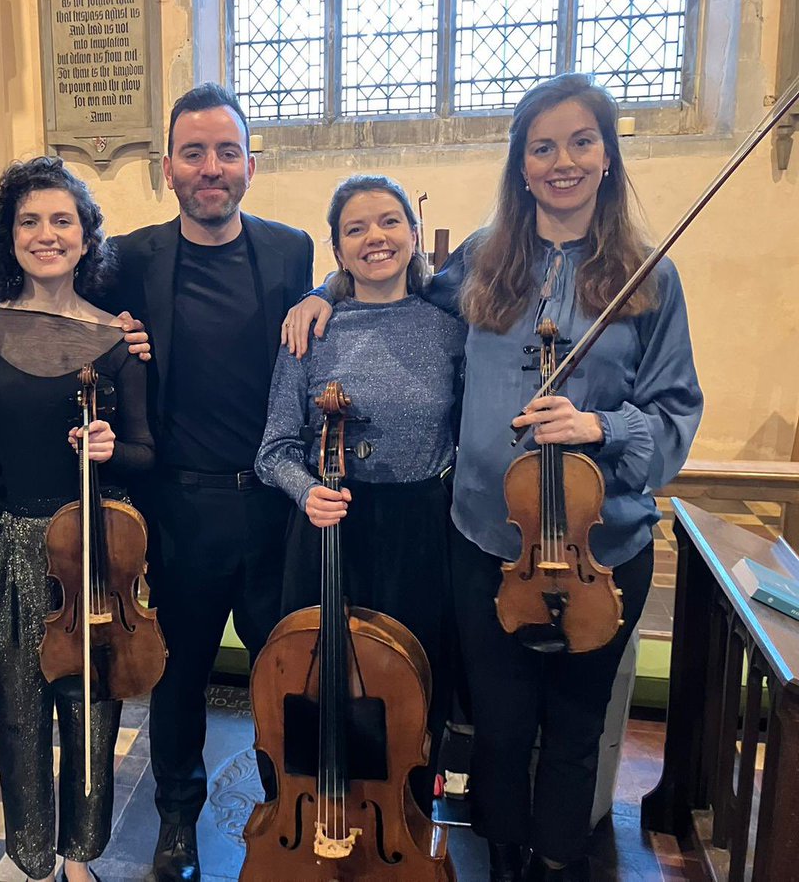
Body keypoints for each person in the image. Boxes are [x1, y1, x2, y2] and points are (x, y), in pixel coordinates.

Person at [283, 73, 702, 882]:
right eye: (542, 146)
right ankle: (505, 856)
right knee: (500, 724)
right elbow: (391, 282)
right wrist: (323, 288)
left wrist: (602, 425)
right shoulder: (484, 257)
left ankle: (555, 859)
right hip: (483, 538)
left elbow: (679, 408)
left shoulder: (648, 275)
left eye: (582, 141)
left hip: (598, 543)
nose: (562, 161)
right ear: (521, 163)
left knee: (576, 726)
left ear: (608, 156)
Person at [99, 83, 314, 881]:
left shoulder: (292, 251)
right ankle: (178, 824)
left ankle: (284, 803)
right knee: (179, 677)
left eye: (227, 151)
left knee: (282, 672)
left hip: (270, 503)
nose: (211, 167)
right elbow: (63, 321)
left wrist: (324, 296)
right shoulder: (129, 258)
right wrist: (108, 334)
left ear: (250, 165)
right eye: (194, 152)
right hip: (179, 509)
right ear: (168, 168)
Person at [0, 156, 155, 882]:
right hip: (10, 544)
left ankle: (81, 856)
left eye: (62, 220)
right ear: (11, 236)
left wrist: (113, 447)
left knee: (89, 714)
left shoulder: (119, 337)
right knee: (16, 718)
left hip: (93, 551)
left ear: (86, 237)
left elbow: (143, 448)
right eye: (29, 221)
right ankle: (34, 859)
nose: (46, 234)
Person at [254, 174, 464, 813]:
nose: (375, 237)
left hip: (420, 534)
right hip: (328, 529)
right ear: (338, 248)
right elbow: (274, 449)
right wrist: (306, 490)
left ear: (413, 234)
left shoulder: (449, 330)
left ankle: (401, 829)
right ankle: (309, 828)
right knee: (318, 694)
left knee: (411, 697)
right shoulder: (312, 330)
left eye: (389, 222)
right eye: (356, 228)